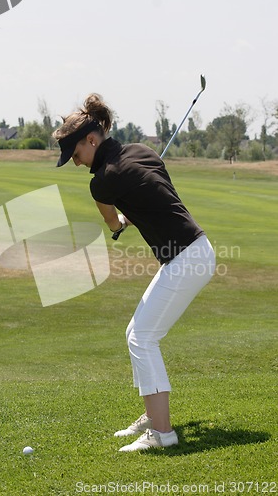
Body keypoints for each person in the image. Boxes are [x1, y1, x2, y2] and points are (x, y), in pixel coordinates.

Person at [54, 93, 216, 452]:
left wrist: (120, 223)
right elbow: (155, 198)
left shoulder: (102, 181)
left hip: (187, 258)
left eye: (76, 155)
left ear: (91, 140)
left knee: (143, 338)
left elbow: (113, 221)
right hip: (194, 251)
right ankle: (151, 413)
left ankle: (162, 433)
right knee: (135, 332)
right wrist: (132, 215)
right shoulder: (143, 151)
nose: (77, 163)